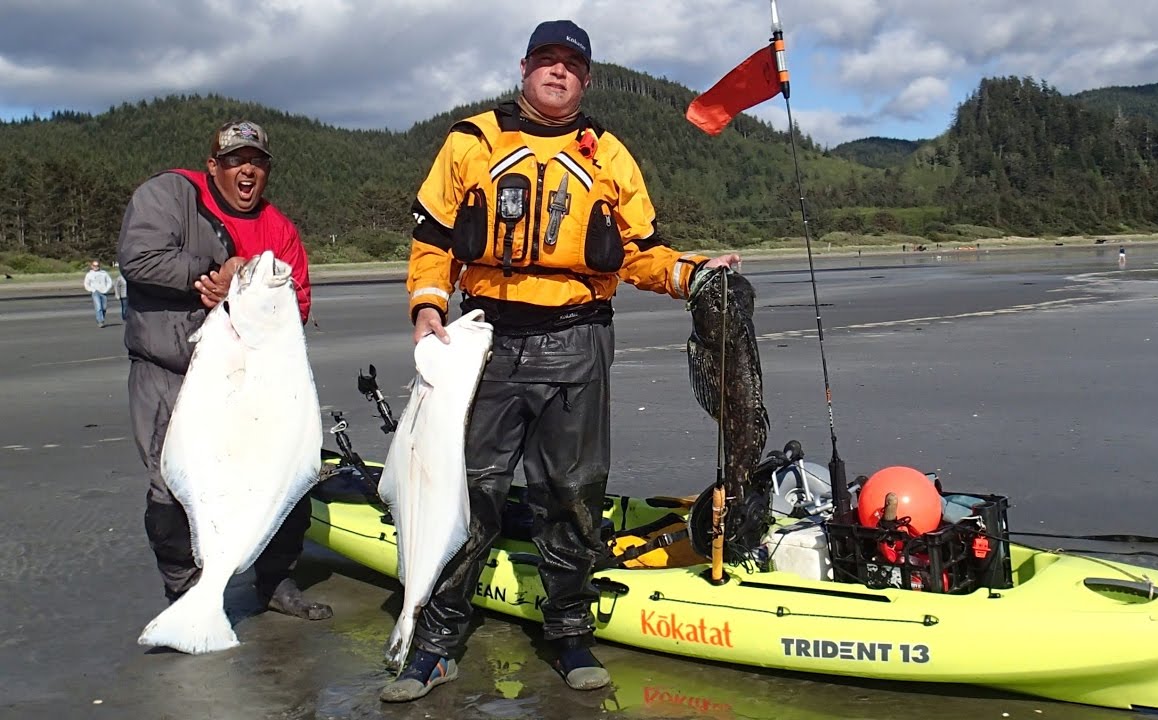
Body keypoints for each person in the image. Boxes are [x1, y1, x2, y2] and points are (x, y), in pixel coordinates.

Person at [382, 19, 741, 703]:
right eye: (546, 60)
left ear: (587, 78)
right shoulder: (472, 141)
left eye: (571, 64)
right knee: (470, 490)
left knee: (573, 495)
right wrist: (428, 307)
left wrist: (694, 274)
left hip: (577, 341)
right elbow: (431, 240)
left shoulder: (608, 154)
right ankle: (433, 643)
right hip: (484, 340)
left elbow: (642, 251)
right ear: (524, 68)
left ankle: (570, 633)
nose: (558, 72)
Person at [116, 120, 331, 623]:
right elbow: (139, 257)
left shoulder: (280, 228)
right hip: (173, 372)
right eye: (235, 161)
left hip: (254, 379)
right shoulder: (170, 194)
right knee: (171, 483)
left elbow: (297, 299)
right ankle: (188, 594)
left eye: (256, 161)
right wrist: (210, 274)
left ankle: (275, 580)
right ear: (214, 166)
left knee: (285, 478)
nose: (247, 170)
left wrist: (254, 301)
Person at [83, 260, 113, 327]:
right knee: (98, 307)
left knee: (104, 308)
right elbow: (86, 284)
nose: (96, 267)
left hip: (103, 292)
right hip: (95, 292)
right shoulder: (89, 274)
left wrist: (106, 289)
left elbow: (109, 282)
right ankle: (100, 321)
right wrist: (92, 290)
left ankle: (101, 318)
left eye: (97, 265)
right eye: (94, 265)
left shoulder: (104, 273)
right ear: (91, 266)